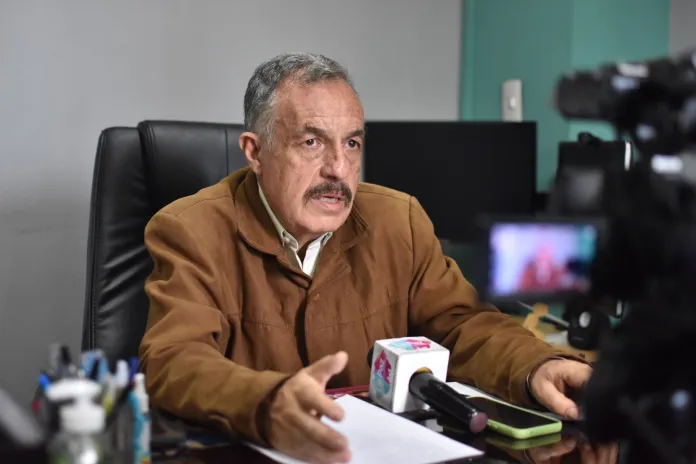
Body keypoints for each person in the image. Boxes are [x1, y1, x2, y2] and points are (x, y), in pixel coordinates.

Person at [139, 53, 592, 464]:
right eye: (312, 142)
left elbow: (464, 324)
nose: (339, 168)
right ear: (255, 152)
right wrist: (266, 400)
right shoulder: (191, 230)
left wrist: (537, 366)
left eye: (352, 143)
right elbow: (174, 359)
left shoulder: (399, 220)